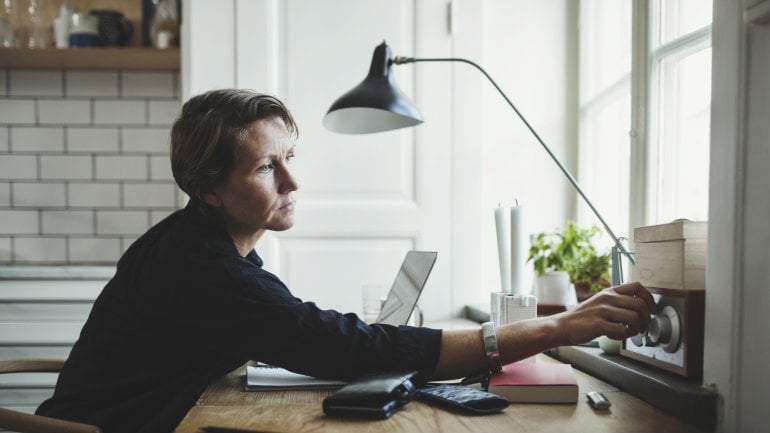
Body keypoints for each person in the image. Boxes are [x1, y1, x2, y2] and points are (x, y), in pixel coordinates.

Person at [36, 89, 655, 433]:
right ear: (208, 188)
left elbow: (313, 335)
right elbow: (344, 345)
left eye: (290, 158)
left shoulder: (207, 248)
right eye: (264, 167)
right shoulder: (203, 269)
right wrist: (559, 326)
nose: (291, 182)